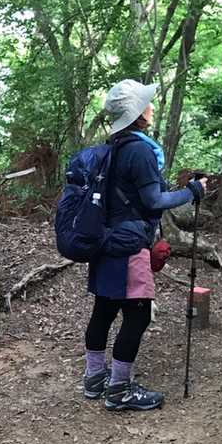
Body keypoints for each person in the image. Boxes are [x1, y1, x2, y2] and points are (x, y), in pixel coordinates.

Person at [80, 79, 207, 411]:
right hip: (128, 246)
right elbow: (154, 200)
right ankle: (119, 390)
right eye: (146, 103)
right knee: (137, 316)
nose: (151, 106)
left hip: (104, 241)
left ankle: (94, 379)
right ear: (137, 112)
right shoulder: (139, 150)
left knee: (104, 310)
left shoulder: (113, 146)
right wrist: (192, 192)